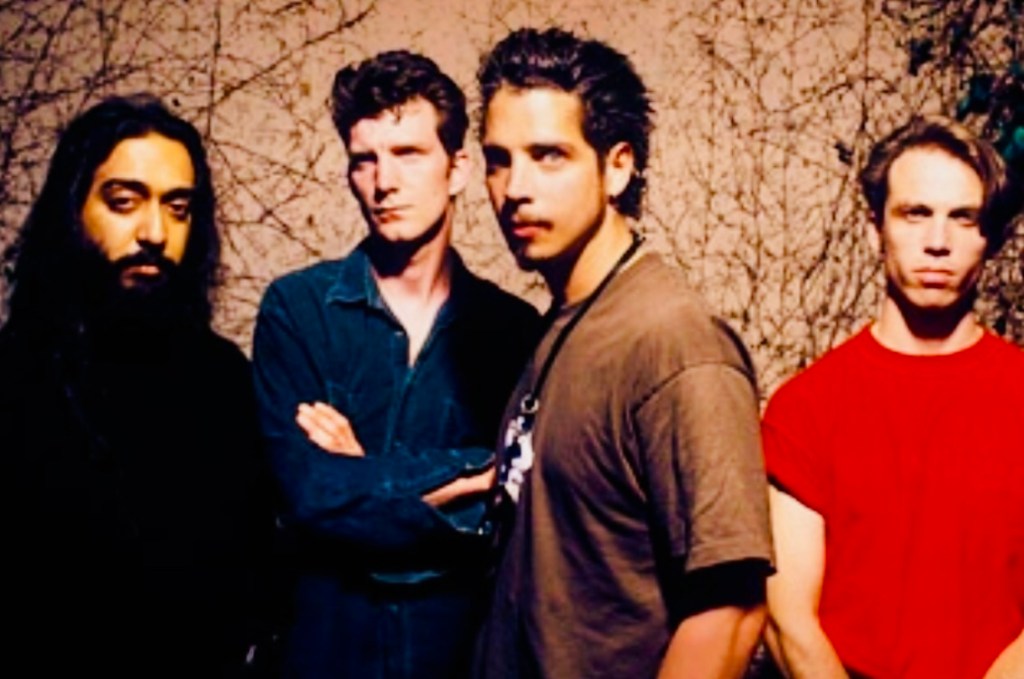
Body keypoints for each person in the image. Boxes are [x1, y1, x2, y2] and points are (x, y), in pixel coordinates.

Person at [473, 27, 774, 679]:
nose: (514, 187)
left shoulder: (674, 343)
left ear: (617, 166)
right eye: (498, 159)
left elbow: (731, 610)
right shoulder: (563, 324)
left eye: (548, 155)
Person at [252, 50, 539, 679]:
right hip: (323, 657)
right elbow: (307, 493)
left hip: (457, 661)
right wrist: (465, 479)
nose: (384, 182)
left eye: (408, 153)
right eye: (365, 159)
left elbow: (515, 510)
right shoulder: (297, 310)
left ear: (457, 169)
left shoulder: (514, 332)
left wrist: (363, 475)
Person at [0, 94, 273, 676]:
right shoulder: (13, 379)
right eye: (124, 202)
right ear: (72, 209)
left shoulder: (224, 381)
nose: (155, 232)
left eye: (178, 208)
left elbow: (253, 582)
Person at [763, 116, 1024, 678]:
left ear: (990, 239)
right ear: (874, 229)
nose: (938, 242)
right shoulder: (806, 409)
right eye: (915, 213)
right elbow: (789, 622)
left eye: (963, 218)